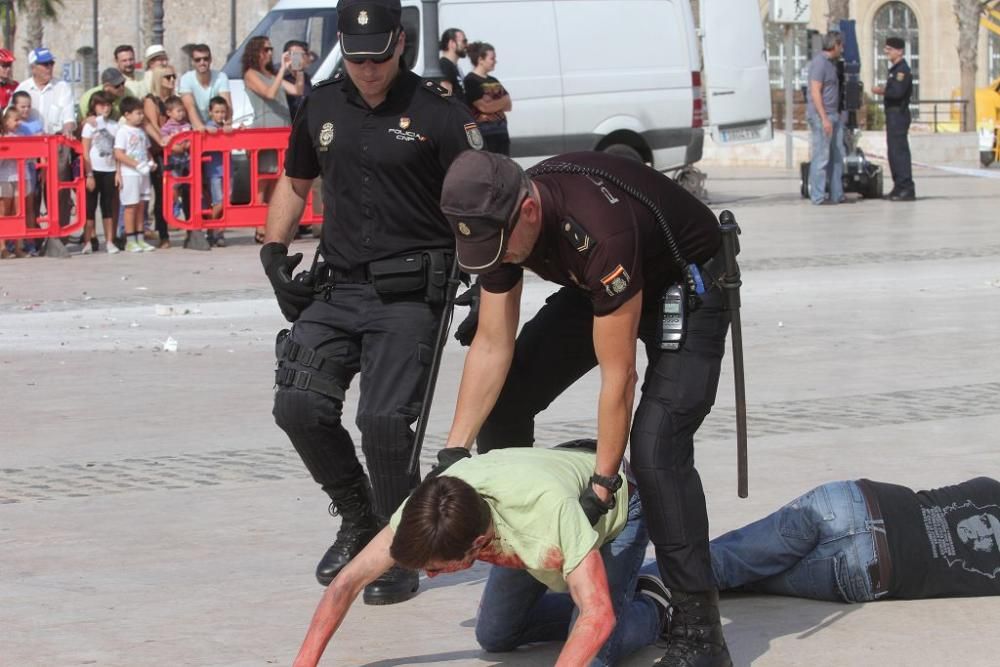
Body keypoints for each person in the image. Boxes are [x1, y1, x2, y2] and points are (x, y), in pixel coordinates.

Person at [437, 149, 735, 666]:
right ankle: (517, 526)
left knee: (656, 448)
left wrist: (601, 486)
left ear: (528, 212)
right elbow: (491, 344)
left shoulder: (596, 231)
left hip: (686, 280)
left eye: (501, 248)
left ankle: (698, 630)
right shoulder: (499, 226)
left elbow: (617, 377)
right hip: (599, 284)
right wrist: (455, 453)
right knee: (506, 401)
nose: (500, 260)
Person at [260, 0, 478, 604]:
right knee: (298, 407)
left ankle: (400, 550)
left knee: (384, 422)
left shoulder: (439, 113)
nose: (369, 70)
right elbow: (295, 181)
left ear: (400, 44)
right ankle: (361, 520)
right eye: (356, 59)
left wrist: (489, 286)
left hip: (411, 296)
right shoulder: (322, 104)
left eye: (379, 57)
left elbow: (484, 201)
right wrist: (275, 252)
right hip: (337, 286)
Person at [292, 445, 671, 667]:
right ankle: (619, 590)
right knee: (494, 635)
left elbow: (597, 615)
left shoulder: (547, 516)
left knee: (601, 648)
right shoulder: (430, 508)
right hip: (542, 494)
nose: (434, 577)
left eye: (437, 569)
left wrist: (591, 618)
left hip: (613, 504)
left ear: (477, 544)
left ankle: (656, 602)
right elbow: (347, 582)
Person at [703, 476, 1000, 602]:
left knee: (721, 563)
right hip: (867, 567)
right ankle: (656, 601)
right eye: (985, 522)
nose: (979, 530)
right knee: (724, 574)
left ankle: (660, 586)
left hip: (849, 502)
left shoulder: (989, 486)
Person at [243, 35, 304, 243]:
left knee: (277, 182)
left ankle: (270, 224)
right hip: (264, 131)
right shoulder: (250, 74)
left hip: (281, 131)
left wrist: (298, 71)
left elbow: (298, 90)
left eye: (271, 49)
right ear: (256, 52)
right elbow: (269, 93)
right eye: (265, 50)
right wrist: (281, 71)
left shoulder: (271, 74)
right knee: (262, 182)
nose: (270, 53)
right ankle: (259, 226)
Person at [15, 47, 76, 233]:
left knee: (57, 191)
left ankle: (58, 234)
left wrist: (68, 130)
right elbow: (10, 117)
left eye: (51, 63)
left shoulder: (62, 87)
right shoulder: (23, 88)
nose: (49, 67)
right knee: (30, 192)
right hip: (29, 147)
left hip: (56, 144)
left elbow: (68, 118)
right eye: (44, 64)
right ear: (33, 67)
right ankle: (33, 235)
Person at [872, 36, 915, 201]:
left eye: (889, 49)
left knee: (899, 152)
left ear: (899, 51)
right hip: (892, 114)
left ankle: (906, 187)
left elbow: (897, 93)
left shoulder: (902, 70)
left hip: (899, 114)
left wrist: (881, 91)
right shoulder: (895, 70)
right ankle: (898, 187)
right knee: (893, 152)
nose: (886, 52)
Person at [143, 65, 180, 248]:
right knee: (161, 193)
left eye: (173, 76)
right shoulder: (152, 101)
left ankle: (190, 229)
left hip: (177, 151)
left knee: (180, 192)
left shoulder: (175, 100)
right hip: (159, 152)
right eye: (167, 77)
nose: (172, 80)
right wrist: (168, 141)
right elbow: (152, 126)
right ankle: (163, 234)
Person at [114, 96, 157, 253]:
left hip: (143, 174)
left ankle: (140, 238)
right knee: (130, 206)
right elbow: (119, 153)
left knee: (141, 206)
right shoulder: (123, 132)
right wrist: (137, 165)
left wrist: (150, 162)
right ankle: (130, 239)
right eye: (138, 113)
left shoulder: (141, 131)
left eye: (141, 113)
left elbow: (146, 150)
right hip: (130, 173)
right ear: (127, 114)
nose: (141, 116)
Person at [805, 32, 844, 206]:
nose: (842, 49)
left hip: (834, 114)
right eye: (840, 45)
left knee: (837, 156)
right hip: (823, 116)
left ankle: (837, 194)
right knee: (821, 157)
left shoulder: (832, 64)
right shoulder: (819, 63)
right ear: (834, 45)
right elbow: (815, 92)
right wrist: (824, 118)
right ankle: (818, 196)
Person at [80, 91, 120, 255]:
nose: (105, 108)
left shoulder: (115, 125)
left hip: (110, 169)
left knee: (108, 206)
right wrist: (88, 174)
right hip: (94, 170)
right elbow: (85, 151)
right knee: (89, 207)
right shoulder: (90, 125)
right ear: (94, 106)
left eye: (108, 105)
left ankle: (109, 241)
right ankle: (88, 241)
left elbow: (118, 150)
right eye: (101, 105)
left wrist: (118, 172)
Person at [463, 41, 511, 155]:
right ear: (481, 60)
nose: (495, 61)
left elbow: (509, 105)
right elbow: (484, 107)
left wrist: (495, 101)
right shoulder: (471, 81)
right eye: (492, 58)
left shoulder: (494, 80)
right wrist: (501, 101)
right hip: (485, 136)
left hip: (501, 135)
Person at [178, 44, 232, 132]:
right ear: (192, 62)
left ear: (210, 60)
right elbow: (190, 107)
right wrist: (201, 127)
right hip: (193, 127)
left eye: (205, 59)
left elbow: (227, 104)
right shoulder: (186, 79)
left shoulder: (221, 77)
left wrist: (227, 124)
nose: (202, 62)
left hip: (216, 126)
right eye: (197, 60)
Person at [202, 96, 230, 235]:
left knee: (227, 202)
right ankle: (211, 228)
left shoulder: (226, 127)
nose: (220, 115)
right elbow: (204, 130)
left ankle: (220, 231)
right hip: (214, 171)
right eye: (217, 112)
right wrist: (208, 129)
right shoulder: (209, 126)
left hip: (228, 171)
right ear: (210, 112)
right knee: (218, 202)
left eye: (223, 112)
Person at [282, 40, 313, 120]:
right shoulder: (282, 78)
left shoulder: (306, 77)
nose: (297, 58)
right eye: (294, 54)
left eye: (300, 54)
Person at [438, 28, 467, 97]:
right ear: (452, 43)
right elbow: (446, 96)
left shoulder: (454, 66)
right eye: (464, 41)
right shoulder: (444, 65)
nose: (466, 45)